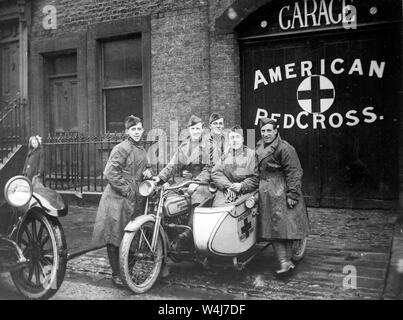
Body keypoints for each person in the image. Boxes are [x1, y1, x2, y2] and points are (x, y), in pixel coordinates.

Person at [92, 116, 152, 286]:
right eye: (133, 129)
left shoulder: (141, 149)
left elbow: (144, 167)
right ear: (127, 131)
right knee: (114, 236)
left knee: (131, 237)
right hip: (117, 199)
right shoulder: (121, 148)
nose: (137, 132)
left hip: (134, 199)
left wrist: (148, 172)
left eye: (139, 129)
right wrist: (127, 190)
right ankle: (116, 273)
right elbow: (110, 172)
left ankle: (128, 272)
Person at [256, 118, 310, 275]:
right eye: (263, 131)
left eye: (269, 131)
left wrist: (293, 193)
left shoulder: (285, 148)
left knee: (281, 227)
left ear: (275, 131)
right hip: (266, 191)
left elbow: (294, 172)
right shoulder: (259, 145)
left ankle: (286, 261)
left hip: (280, 189)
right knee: (274, 228)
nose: (266, 134)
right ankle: (285, 261)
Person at [153, 115, 214, 250]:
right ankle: (172, 233)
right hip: (186, 181)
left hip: (203, 182)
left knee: (197, 196)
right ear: (188, 130)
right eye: (193, 128)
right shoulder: (184, 146)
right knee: (168, 196)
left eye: (198, 128)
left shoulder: (209, 146)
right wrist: (160, 178)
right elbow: (173, 164)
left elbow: (210, 167)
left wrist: (197, 181)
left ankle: (188, 233)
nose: (196, 131)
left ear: (202, 129)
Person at [211, 125, 259, 206]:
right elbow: (216, 172)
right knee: (218, 210)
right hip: (226, 190)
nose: (235, 140)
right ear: (229, 141)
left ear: (243, 139)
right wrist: (228, 185)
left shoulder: (251, 154)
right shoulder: (226, 153)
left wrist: (242, 186)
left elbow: (255, 178)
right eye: (232, 137)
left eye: (237, 137)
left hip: (245, 191)